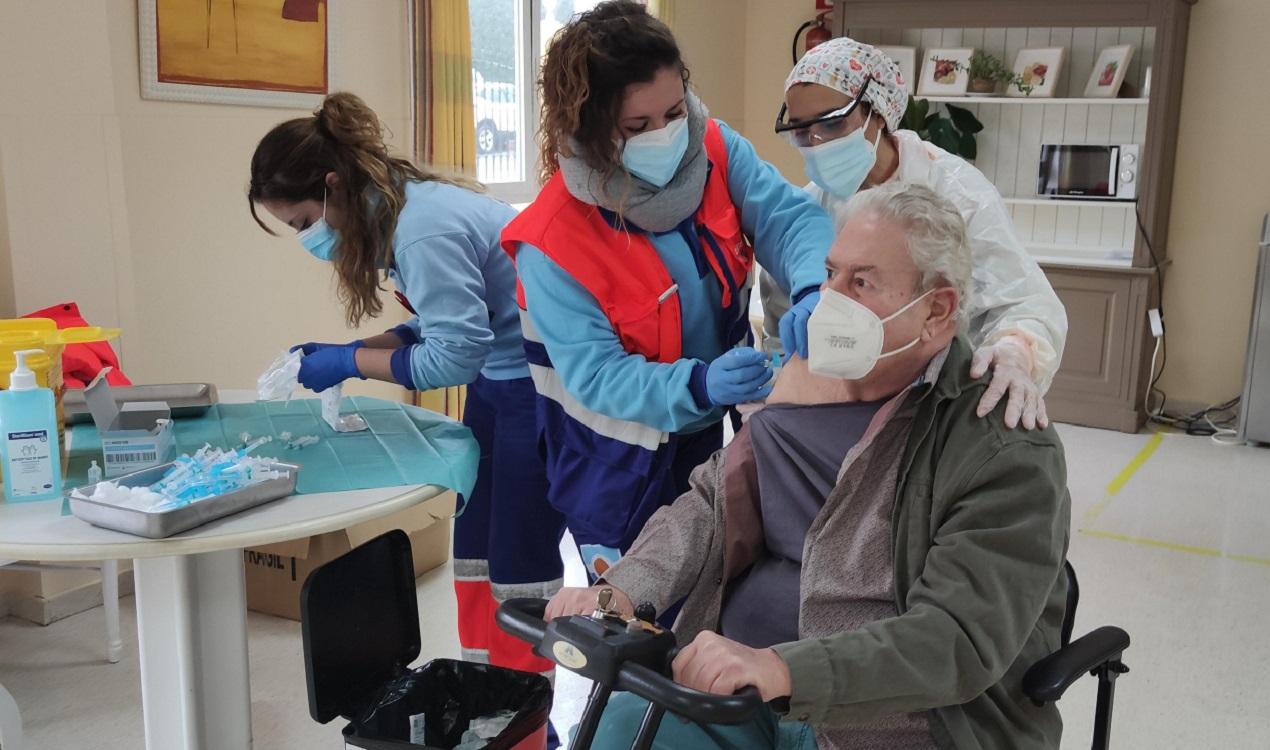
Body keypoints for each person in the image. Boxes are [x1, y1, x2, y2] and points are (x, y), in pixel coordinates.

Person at [547, 183, 1072, 750]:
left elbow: (956, 640)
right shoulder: (802, 389)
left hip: (896, 719)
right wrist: (622, 589)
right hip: (739, 691)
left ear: (937, 310)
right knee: (611, 735)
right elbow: (711, 507)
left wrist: (785, 670)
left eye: (862, 282)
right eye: (831, 274)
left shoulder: (1001, 447)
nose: (830, 300)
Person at [500, 1, 835, 583]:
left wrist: (810, 285)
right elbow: (598, 376)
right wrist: (697, 382)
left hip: (706, 427)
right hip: (614, 457)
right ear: (589, 129)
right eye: (637, 127)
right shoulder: (551, 241)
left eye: (674, 111)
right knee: (638, 614)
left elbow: (788, 219)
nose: (665, 135)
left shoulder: (713, 149)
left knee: (716, 584)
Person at [247, 92, 564, 679]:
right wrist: (377, 346)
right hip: (504, 378)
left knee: (518, 562)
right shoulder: (397, 209)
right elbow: (453, 317)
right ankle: (487, 697)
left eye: (302, 223)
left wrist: (351, 362)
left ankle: (525, 716)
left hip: (539, 389)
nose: (306, 238)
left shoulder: (420, 229)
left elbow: (455, 357)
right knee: (477, 552)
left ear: (333, 184)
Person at [763, 37, 1068, 431]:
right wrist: (776, 372)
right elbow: (779, 316)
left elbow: (1025, 302)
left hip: (941, 399)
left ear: (878, 111)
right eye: (802, 132)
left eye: (832, 123)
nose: (816, 143)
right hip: (839, 401)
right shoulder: (809, 210)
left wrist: (1015, 351)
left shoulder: (958, 195)